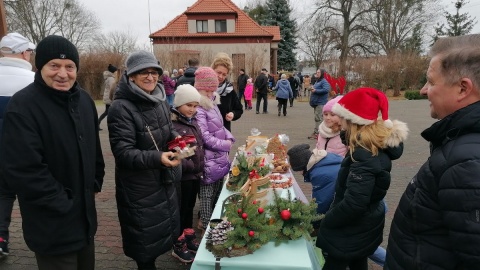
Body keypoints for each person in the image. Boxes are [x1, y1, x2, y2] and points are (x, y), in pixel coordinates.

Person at [0, 35, 105, 270]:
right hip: (52, 223)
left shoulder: (85, 101)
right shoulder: (23, 106)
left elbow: (95, 150)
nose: (62, 73)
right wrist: (61, 203)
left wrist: (96, 181)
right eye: (54, 66)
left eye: (70, 67)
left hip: (85, 220)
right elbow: (22, 169)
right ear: (40, 67)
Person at [385, 34, 480, 269]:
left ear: (462, 88)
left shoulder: (467, 162)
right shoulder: (459, 145)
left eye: (431, 81)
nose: (423, 90)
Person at [107, 50, 188, 269]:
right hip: (139, 187)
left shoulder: (159, 98)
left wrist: (177, 139)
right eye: (143, 72)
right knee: (145, 245)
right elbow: (123, 153)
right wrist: (158, 157)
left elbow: (168, 129)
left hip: (162, 179)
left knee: (161, 232)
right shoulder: (120, 108)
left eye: (154, 72)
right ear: (131, 76)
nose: (150, 77)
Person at [316, 87, 408, 270]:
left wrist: (325, 221)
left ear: (352, 121)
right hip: (364, 225)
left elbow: (354, 204)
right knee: (358, 262)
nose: (337, 120)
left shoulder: (364, 154)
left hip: (352, 228)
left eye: (340, 116)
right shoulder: (364, 145)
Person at [0, 32, 36, 258]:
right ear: (24, 53)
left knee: (2, 194)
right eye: (30, 52)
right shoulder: (34, 82)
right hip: (27, 151)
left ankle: (1, 238)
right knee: (33, 193)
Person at [193, 66, 235, 233]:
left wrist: (229, 136)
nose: (211, 93)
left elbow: (220, 126)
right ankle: (206, 224)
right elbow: (204, 137)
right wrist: (224, 144)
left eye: (213, 90)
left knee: (217, 191)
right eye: (207, 90)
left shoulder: (212, 103)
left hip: (218, 157)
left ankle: (215, 219)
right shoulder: (199, 108)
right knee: (206, 194)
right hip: (208, 159)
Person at [170, 84, 204, 260]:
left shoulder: (193, 122)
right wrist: (190, 166)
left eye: (195, 105)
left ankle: (188, 236)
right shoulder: (175, 126)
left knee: (189, 208)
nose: (192, 109)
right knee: (181, 210)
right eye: (188, 105)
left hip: (194, 176)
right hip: (183, 177)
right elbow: (178, 154)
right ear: (178, 105)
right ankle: (178, 242)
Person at [287, 144, 343, 219]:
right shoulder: (325, 158)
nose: (300, 174)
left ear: (303, 166)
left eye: (299, 171)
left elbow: (323, 201)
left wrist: (312, 218)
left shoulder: (319, 174)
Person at [211, 52, 243, 131]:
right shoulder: (203, 87)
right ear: (212, 69)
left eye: (224, 74)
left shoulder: (229, 90)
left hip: (224, 133)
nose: (221, 77)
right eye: (218, 72)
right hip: (205, 134)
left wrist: (233, 114)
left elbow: (239, 109)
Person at [308, 69, 330, 140]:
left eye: (318, 72)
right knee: (317, 118)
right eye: (316, 72)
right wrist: (312, 88)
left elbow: (326, 89)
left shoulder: (324, 81)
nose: (317, 73)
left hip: (320, 103)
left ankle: (317, 133)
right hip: (316, 102)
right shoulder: (318, 81)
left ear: (322, 73)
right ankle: (318, 132)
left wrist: (316, 90)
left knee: (319, 118)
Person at [98, 64, 117, 130]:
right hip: (109, 98)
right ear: (113, 72)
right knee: (109, 112)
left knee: (107, 112)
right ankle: (98, 123)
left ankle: (98, 122)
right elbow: (113, 89)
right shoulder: (111, 79)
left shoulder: (109, 78)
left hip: (107, 97)